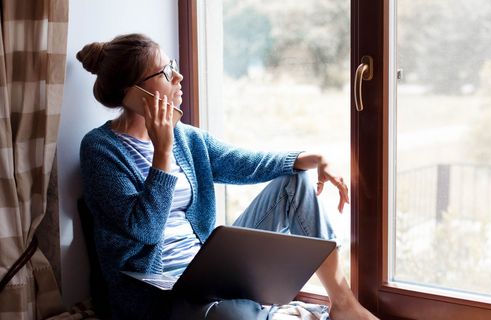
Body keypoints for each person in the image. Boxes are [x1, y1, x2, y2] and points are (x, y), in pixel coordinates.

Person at [77, 33, 379, 320]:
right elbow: (145, 229)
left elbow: (243, 163)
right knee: (232, 315)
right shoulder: (100, 149)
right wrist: (162, 154)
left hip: (206, 272)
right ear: (134, 93)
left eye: (174, 67)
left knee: (294, 182)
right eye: (166, 73)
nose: (179, 77)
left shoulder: (187, 139)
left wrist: (312, 158)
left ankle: (344, 305)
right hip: (159, 296)